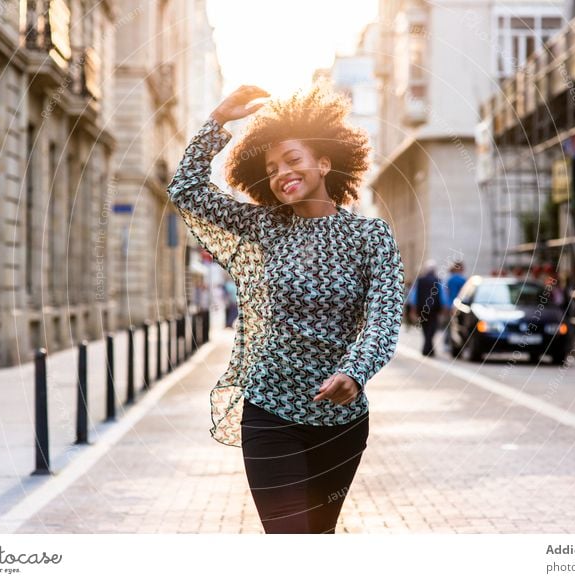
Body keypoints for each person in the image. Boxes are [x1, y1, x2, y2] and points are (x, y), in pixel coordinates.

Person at [167, 83, 405, 534]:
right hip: (269, 412)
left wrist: (354, 372)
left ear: (324, 162)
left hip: (341, 422)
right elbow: (186, 189)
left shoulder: (370, 237)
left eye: (293, 160)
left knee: (318, 536)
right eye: (272, 167)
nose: (282, 173)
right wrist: (217, 121)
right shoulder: (266, 227)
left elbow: (384, 317)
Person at [413, 259, 442, 357]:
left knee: (425, 328)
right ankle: (428, 348)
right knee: (432, 328)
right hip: (434, 309)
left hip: (422, 308)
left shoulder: (420, 280)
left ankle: (428, 348)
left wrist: (413, 308)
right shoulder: (438, 280)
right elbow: (442, 295)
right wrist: (443, 307)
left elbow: (414, 295)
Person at [442, 261, 466, 349]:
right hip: (459, 306)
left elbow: (445, 293)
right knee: (458, 326)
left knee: (448, 325)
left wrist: (445, 305)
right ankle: (457, 344)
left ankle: (447, 344)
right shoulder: (462, 279)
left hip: (449, 305)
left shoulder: (448, 279)